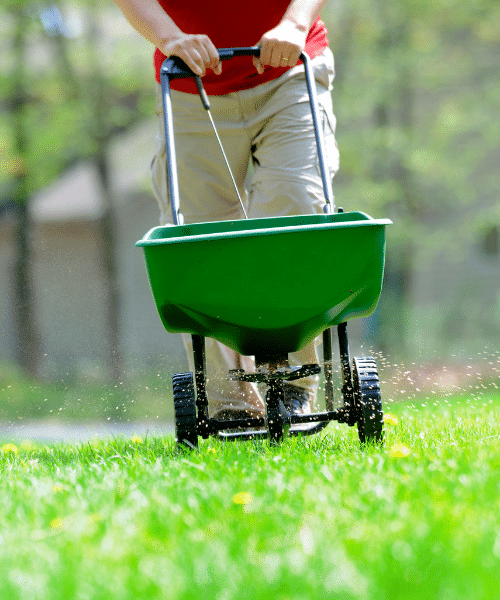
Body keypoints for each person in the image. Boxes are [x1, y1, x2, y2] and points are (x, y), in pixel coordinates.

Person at [113, 0, 340, 421]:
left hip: (289, 72)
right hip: (189, 83)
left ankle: (293, 382)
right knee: (199, 240)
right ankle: (232, 403)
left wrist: (294, 22)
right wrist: (169, 38)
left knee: (297, 209)